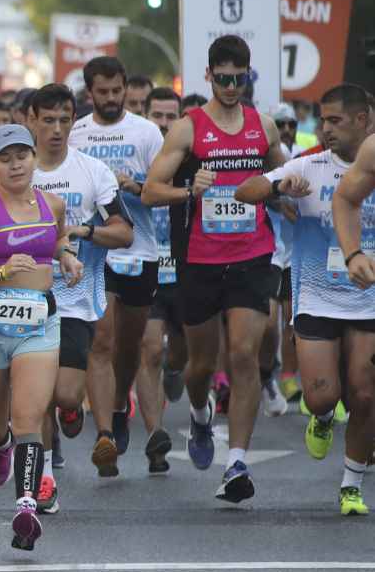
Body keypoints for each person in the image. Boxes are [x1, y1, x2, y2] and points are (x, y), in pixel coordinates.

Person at [142, 35, 288, 503]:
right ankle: (201, 415)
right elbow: (149, 192)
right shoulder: (188, 128)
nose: (229, 86)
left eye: (237, 78)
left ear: (248, 76)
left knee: (244, 354)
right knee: (199, 365)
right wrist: (190, 190)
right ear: (208, 76)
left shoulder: (263, 127)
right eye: (221, 78)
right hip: (200, 260)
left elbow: (280, 181)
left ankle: (237, 463)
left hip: (251, 254)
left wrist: (286, 190)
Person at [0, 124, 81, 549]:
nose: (16, 163)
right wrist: (0, 272)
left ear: (34, 158)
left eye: (23, 154)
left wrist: (67, 258)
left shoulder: (53, 204)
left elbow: (55, 241)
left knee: (28, 420)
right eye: (6, 157)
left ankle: (25, 507)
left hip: (38, 325)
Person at [242, 84, 374, 516]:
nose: (326, 128)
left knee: (365, 395)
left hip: (368, 298)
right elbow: (246, 190)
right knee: (321, 397)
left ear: (362, 119)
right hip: (317, 297)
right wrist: (278, 191)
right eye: (323, 120)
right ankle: (319, 416)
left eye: (335, 120)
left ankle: (351, 486)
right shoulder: (310, 165)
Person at [28, 83, 131, 510]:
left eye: (64, 120)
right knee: (39, 395)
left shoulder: (93, 172)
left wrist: (83, 231)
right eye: (47, 120)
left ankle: (76, 413)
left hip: (72, 300)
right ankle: (46, 475)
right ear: (30, 120)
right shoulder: (16, 171)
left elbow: (124, 233)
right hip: (24, 295)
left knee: (67, 394)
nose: (56, 129)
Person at [69, 55, 166, 477]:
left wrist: (136, 186)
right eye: (102, 92)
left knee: (132, 346)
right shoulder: (75, 135)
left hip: (140, 249)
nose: (110, 98)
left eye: (117, 91)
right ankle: (105, 434)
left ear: (126, 89)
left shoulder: (147, 133)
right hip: (96, 252)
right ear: (89, 93)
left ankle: (118, 404)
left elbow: (164, 192)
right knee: (103, 341)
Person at [139, 88, 188, 470]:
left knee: (182, 352)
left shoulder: (190, 157)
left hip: (188, 265)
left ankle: (176, 369)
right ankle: (156, 436)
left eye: (172, 116)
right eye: (158, 115)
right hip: (148, 263)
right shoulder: (136, 154)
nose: (164, 123)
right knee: (150, 347)